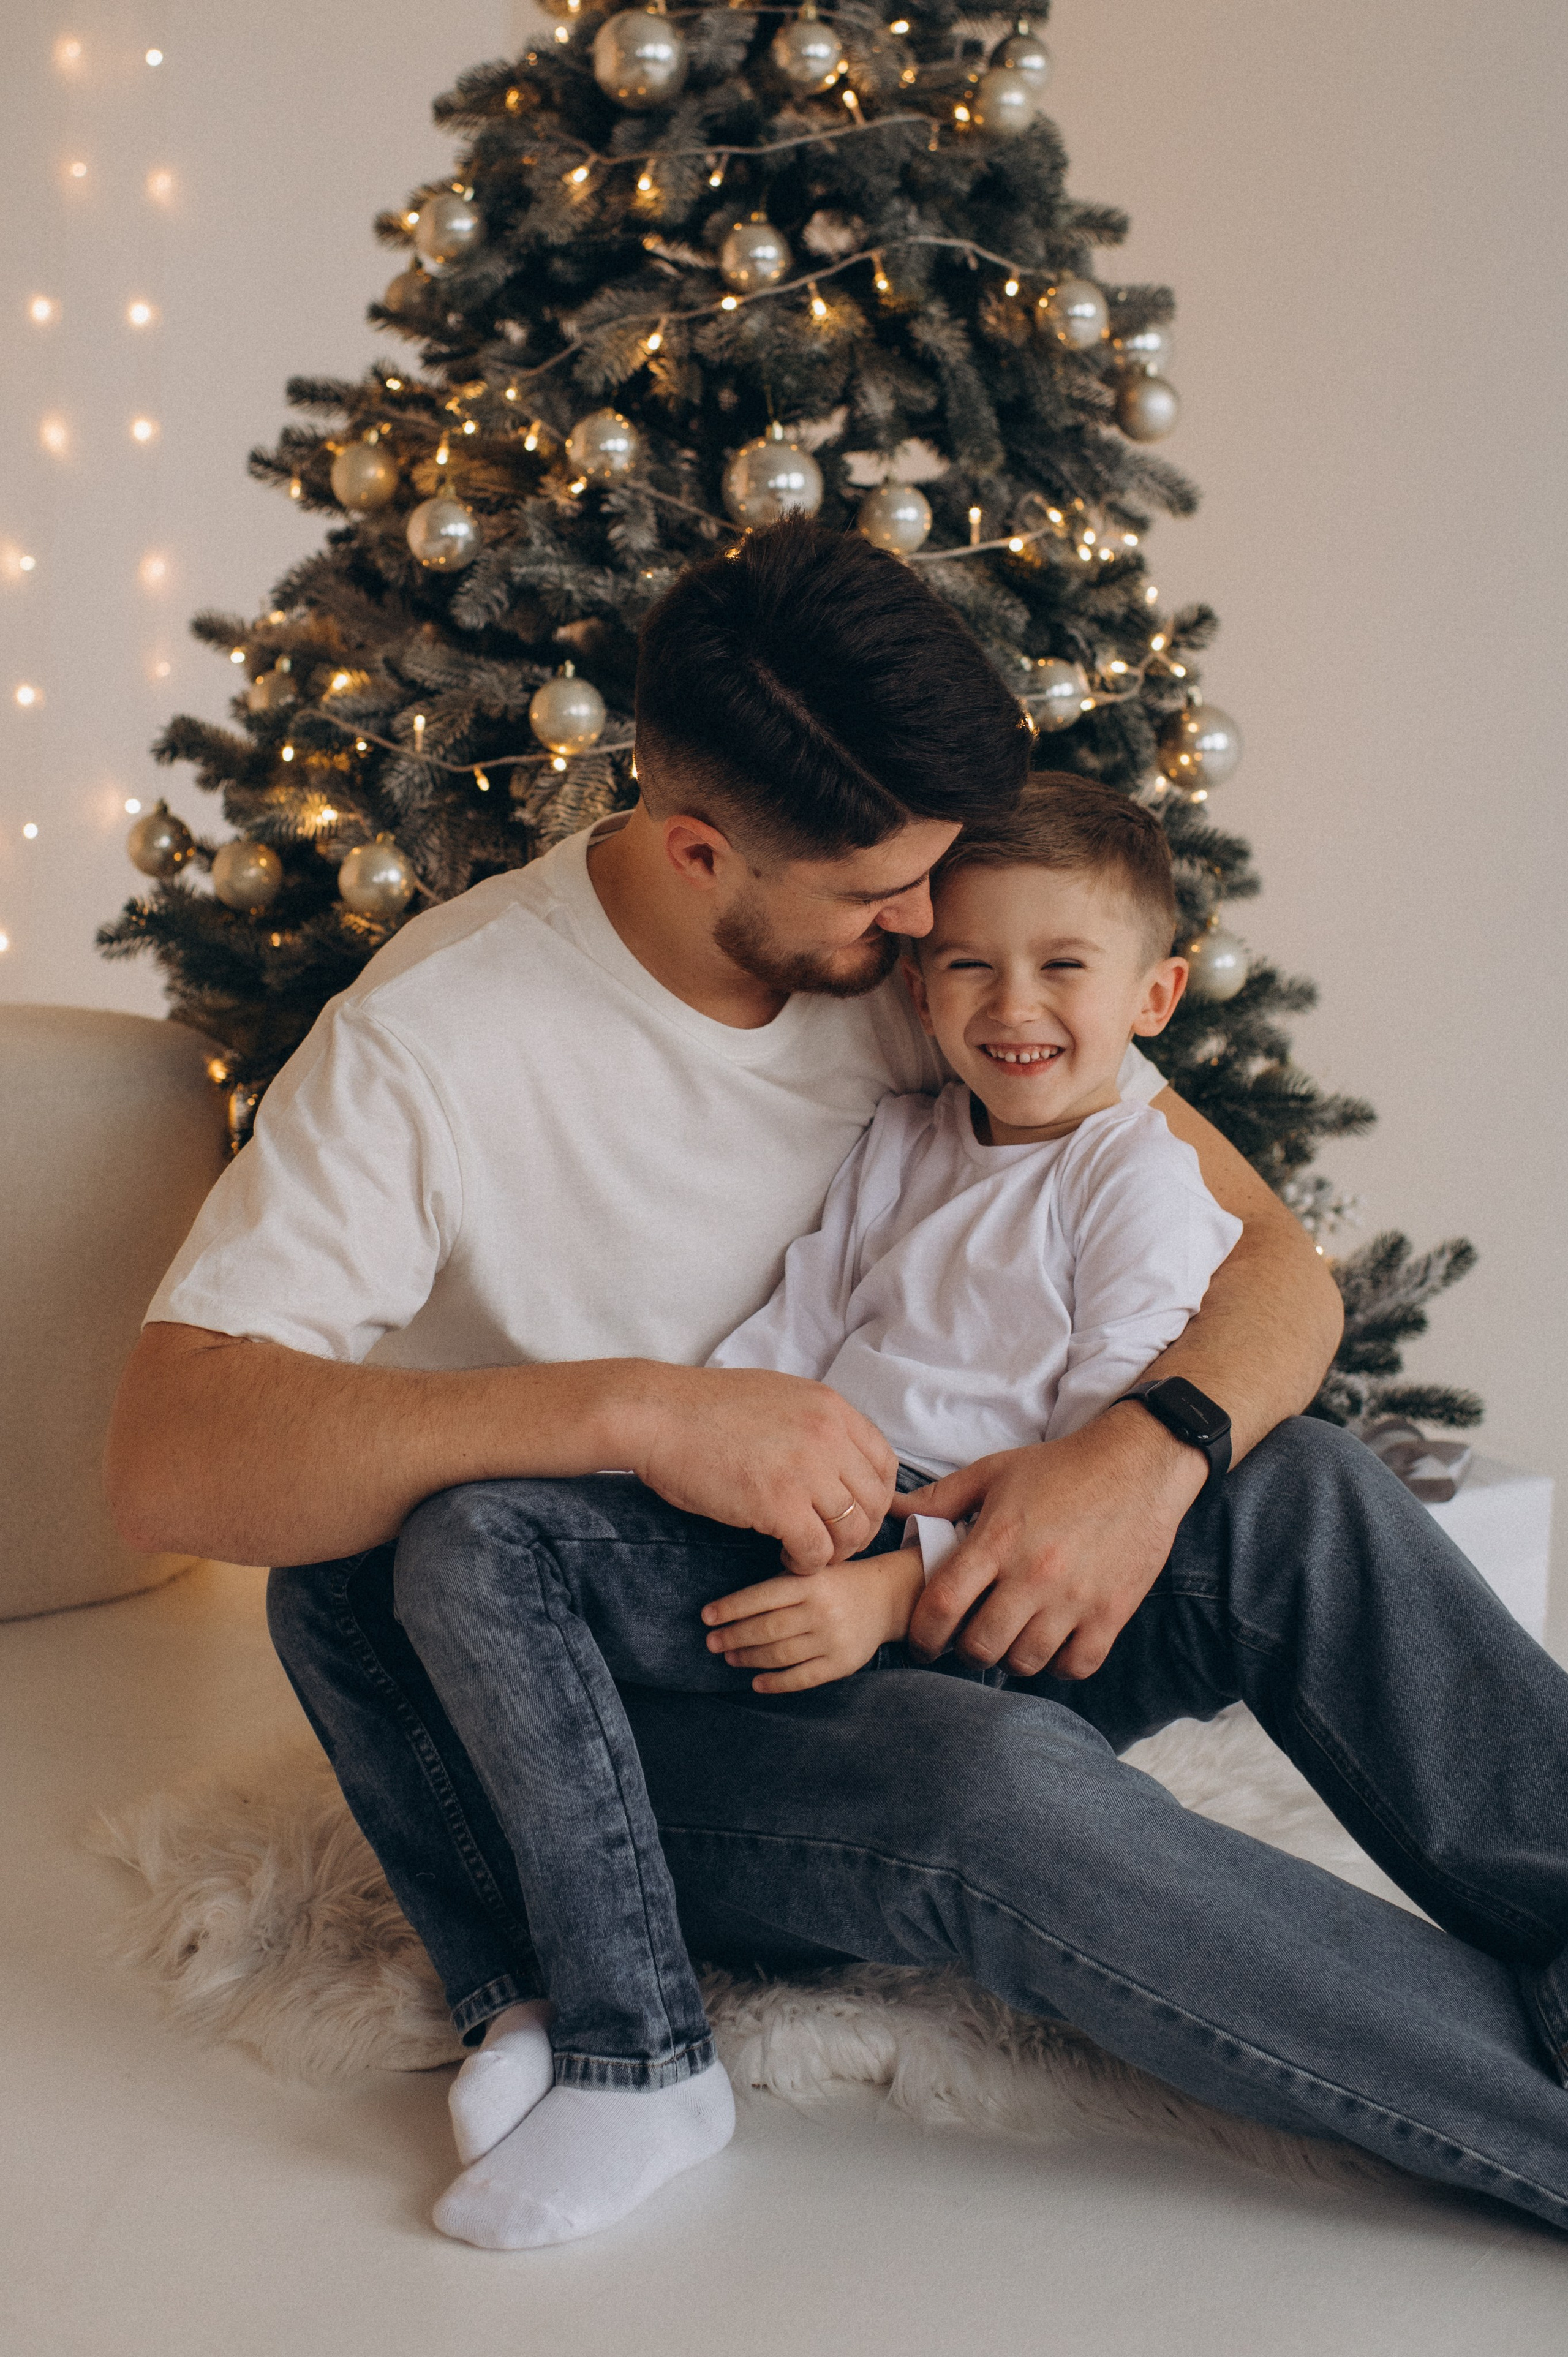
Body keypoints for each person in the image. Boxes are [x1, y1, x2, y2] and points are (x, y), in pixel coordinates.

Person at [106, 521, 1568, 2242]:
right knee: (990, 1795)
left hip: (947, 1584)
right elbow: (167, 1455)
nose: (931, 926)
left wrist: (1145, 1454)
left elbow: (1270, 1268)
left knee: (1301, 1485)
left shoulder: (935, 963)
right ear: (702, 847)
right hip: (658, 1702)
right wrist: (638, 1409)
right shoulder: (436, 1042)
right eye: (888, 900)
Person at [388, 775, 1245, 2248]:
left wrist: (890, 1587)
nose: (1009, 1003)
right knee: (351, 1574)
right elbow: (782, 1346)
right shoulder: (911, 1136)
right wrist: (673, 1473)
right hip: (793, 1516)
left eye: (1061, 967)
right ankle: (512, 1996)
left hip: (947, 1597)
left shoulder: (1138, 1187)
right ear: (917, 980)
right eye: (967, 962)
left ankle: (643, 2056)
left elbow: (1085, 1491)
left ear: (1154, 992)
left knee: (475, 1544)